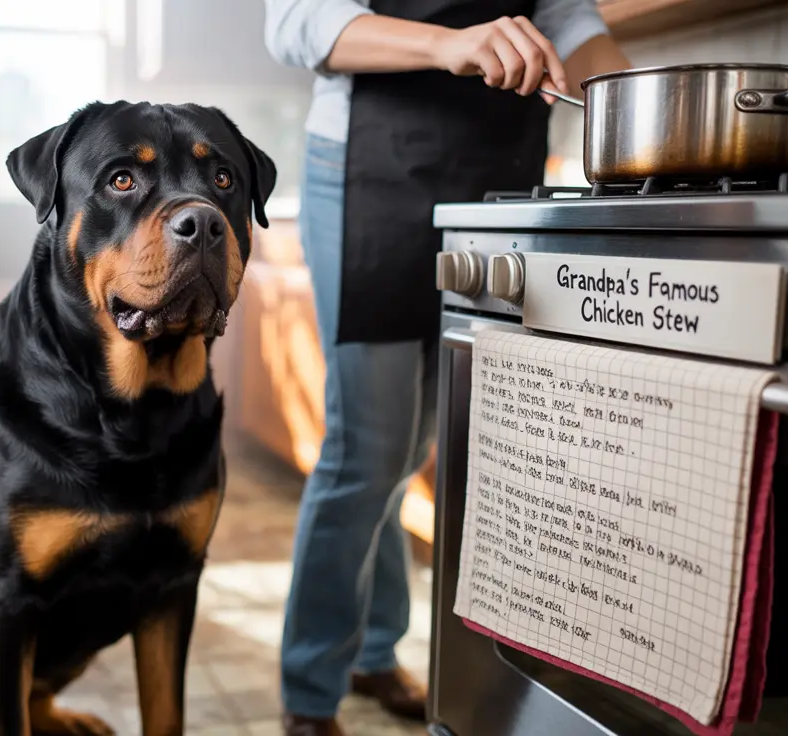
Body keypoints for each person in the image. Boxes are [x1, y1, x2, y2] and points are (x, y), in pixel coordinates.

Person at [261, 2, 631, 733]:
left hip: (492, 170)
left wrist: (636, 98)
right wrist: (451, 43)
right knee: (366, 451)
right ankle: (309, 690)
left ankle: (371, 651)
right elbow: (297, 24)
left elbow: (567, 21)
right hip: (373, 173)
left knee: (412, 446)